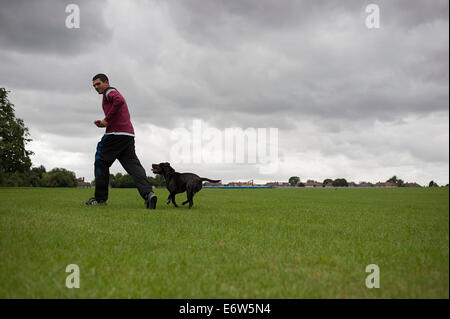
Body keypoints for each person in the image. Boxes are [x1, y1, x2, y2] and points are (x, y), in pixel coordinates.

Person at [85, 73, 157, 209]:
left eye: (98, 84)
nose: (96, 87)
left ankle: (100, 199)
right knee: (133, 166)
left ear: (106, 82)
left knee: (100, 160)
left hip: (115, 134)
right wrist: (106, 122)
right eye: (94, 85)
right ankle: (149, 194)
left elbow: (119, 100)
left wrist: (106, 120)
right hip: (128, 135)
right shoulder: (109, 93)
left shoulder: (109, 91)